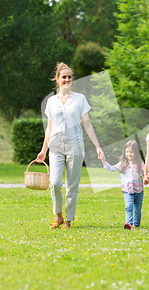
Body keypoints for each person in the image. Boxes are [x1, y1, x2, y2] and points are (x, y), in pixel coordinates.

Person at [36, 62, 104, 229]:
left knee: (72, 185)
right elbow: (49, 128)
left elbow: (87, 124)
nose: (67, 79)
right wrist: (43, 150)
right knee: (55, 182)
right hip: (56, 146)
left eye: (69, 77)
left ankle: (68, 220)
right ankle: (58, 216)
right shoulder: (51, 101)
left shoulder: (80, 99)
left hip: (75, 145)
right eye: (64, 77)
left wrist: (97, 146)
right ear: (57, 79)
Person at [102, 140, 147, 230]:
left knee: (137, 209)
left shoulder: (140, 164)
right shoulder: (122, 164)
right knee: (128, 207)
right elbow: (112, 168)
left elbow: (146, 173)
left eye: (131, 152)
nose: (129, 154)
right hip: (127, 190)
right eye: (127, 152)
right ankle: (129, 224)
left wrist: (146, 177)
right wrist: (104, 162)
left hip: (138, 190)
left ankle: (136, 224)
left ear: (136, 153)